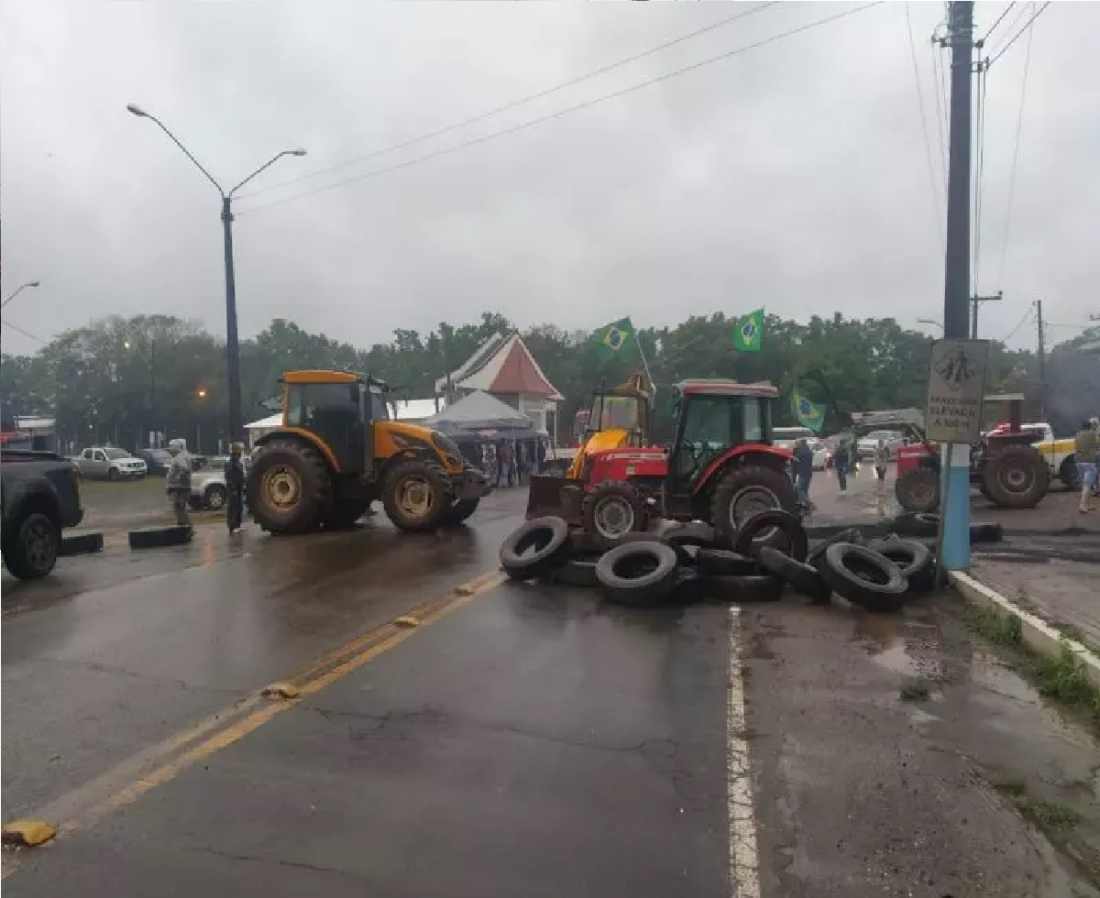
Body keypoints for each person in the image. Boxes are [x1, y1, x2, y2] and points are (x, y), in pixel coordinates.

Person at [165, 438, 193, 527]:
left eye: (171, 447)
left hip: (179, 487)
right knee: (179, 508)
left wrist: (177, 479)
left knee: (179, 508)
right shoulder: (182, 456)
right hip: (181, 486)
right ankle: (182, 526)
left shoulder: (180, 457)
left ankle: (186, 526)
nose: (169, 450)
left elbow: (184, 469)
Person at [1073, 418, 1098, 513]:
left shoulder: (1078, 434)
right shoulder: (1092, 434)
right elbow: (1098, 444)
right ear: (1090, 426)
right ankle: (1082, 505)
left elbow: (1076, 446)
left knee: (1086, 484)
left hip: (1078, 462)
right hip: (1089, 462)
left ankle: (1088, 504)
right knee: (1087, 485)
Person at [225, 442, 246, 534]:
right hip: (233, 489)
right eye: (239, 452)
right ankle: (232, 526)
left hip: (238, 488)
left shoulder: (237, 463)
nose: (240, 454)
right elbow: (230, 477)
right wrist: (233, 488)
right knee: (233, 508)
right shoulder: (231, 464)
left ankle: (236, 525)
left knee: (238, 507)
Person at [792, 438, 814, 508]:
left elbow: (795, 459)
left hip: (803, 471)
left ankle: (808, 503)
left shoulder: (801, 451)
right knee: (805, 489)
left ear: (801, 444)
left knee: (800, 489)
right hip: (809, 472)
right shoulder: (809, 451)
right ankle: (805, 506)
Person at [872, 437, 890, 516]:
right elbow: (876, 457)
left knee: (882, 477)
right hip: (879, 465)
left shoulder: (884, 449)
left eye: (881, 442)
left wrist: (884, 464)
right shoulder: (877, 449)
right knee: (880, 477)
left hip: (882, 465)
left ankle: (881, 490)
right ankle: (881, 490)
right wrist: (880, 464)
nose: (881, 444)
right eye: (880, 442)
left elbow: (886, 457)